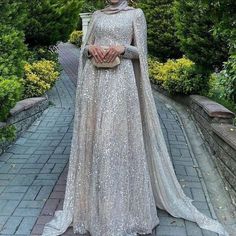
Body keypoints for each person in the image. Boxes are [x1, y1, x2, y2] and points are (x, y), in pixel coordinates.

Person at [42, 1, 229, 235]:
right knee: (98, 142)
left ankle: (123, 209)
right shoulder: (98, 16)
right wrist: (91, 50)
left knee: (115, 140)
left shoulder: (135, 14)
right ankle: (95, 207)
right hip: (95, 84)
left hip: (122, 84)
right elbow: (84, 48)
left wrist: (123, 49)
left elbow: (142, 53)